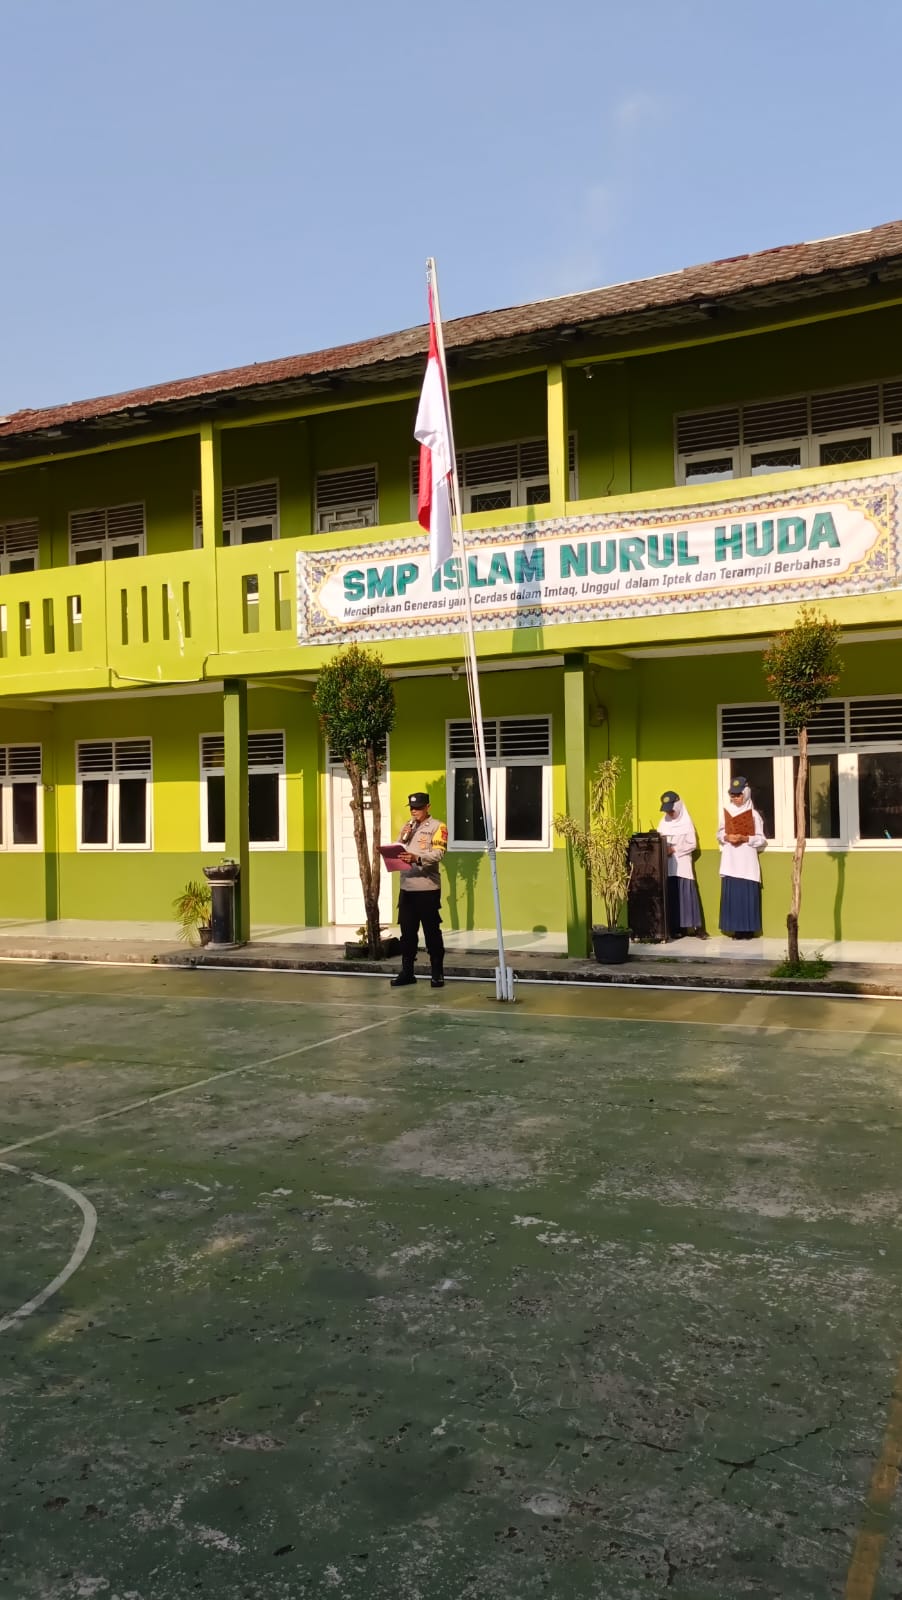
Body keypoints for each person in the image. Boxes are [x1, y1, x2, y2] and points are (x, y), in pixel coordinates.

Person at [391, 791, 448, 988]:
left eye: (419, 808)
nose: (415, 811)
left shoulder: (437, 827)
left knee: (432, 932)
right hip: (407, 888)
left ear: (428, 807)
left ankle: (437, 973)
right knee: (407, 933)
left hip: (427, 888)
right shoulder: (408, 826)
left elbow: (438, 854)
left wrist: (417, 859)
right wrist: (394, 848)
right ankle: (407, 972)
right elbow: (399, 848)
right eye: (412, 808)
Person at [717, 774, 767, 938]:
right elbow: (719, 834)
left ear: (746, 794)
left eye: (739, 795)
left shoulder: (753, 815)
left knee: (746, 896)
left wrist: (745, 838)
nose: (736, 798)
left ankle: (748, 930)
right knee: (733, 897)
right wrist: (727, 837)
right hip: (731, 860)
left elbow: (761, 839)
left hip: (746, 861)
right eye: (733, 795)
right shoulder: (727, 813)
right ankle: (735, 929)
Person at [658, 790, 704, 937]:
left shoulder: (687, 822)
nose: (670, 813)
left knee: (686, 895)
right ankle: (676, 928)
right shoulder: (663, 822)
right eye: (667, 810)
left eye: (672, 809)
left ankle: (695, 927)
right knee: (672, 897)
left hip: (682, 864)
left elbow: (692, 844)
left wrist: (674, 849)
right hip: (668, 866)